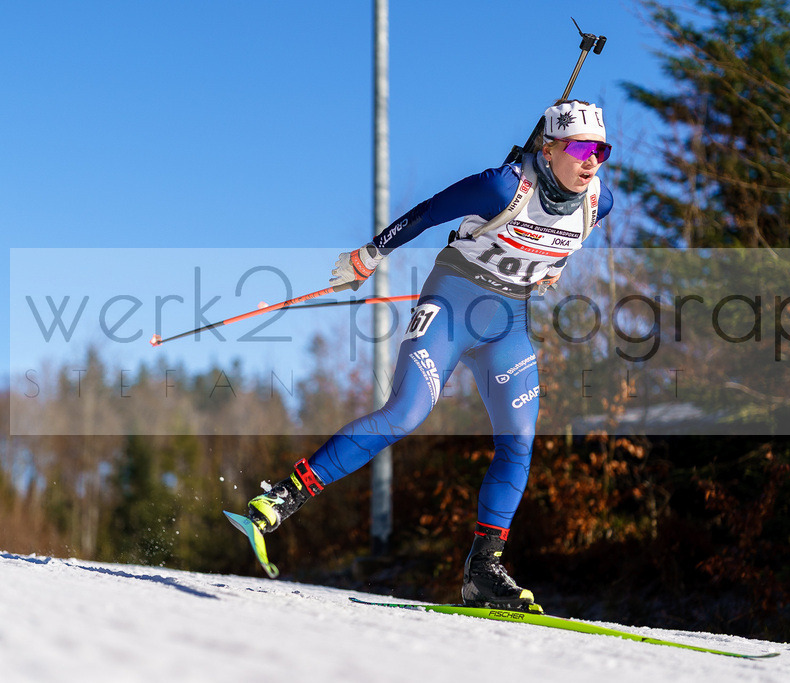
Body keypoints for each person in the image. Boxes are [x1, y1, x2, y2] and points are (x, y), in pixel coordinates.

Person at [244, 99, 613, 610]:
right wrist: (368, 255)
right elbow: (427, 211)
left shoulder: (599, 200)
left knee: (520, 441)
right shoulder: (502, 185)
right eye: (580, 148)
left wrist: (554, 268)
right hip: (455, 298)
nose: (592, 160)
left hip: (508, 320)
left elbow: (569, 240)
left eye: (601, 149)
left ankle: (483, 571)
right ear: (548, 150)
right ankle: (281, 498)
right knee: (404, 414)